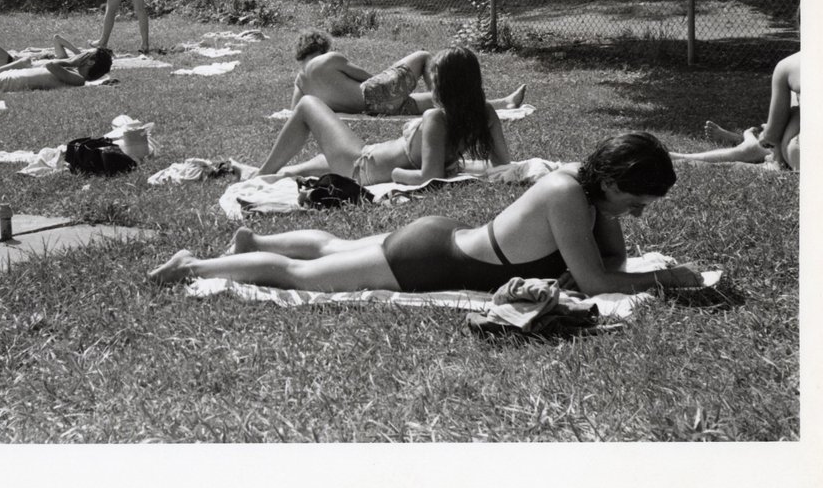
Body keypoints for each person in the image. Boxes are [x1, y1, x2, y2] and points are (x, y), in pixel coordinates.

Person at [150, 132, 706, 296]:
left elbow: (609, 262)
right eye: (633, 204)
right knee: (303, 277)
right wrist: (669, 279)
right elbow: (596, 281)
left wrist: (613, 228)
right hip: (429, 262)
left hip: (440, 242)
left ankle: (251, 248)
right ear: (608, 181)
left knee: (332, 248)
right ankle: (193, 266)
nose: (633, 216)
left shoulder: (583, 194)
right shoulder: (566, 194)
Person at [258, 46, 511, 184]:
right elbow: (502, 163)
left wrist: (395, 175)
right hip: (366, 155)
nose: (432, 86)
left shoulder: (436, 119)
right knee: (296, 172)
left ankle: (260, 175)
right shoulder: (484, 114)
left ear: (448, 87)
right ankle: (263, 174)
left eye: (436, 81)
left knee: (308, 105)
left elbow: (429, 177)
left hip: (362, 166)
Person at [290, 30, 528, 115]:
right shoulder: (331, 59)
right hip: (375, 96)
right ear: (322, 47)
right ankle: (442, 98)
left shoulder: (301, 82)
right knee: (423, 56)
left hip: (373, 110)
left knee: (424, 102)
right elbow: (371, 79)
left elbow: (296, 111)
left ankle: (503, 103)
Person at [670, 51, 800, 171]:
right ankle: (746, 142)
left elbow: (772, 137)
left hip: (797, 155)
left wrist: (766, 136)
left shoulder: (789, 64)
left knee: (794, 99)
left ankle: (749, 143)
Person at [0, 46, 113, 94]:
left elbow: (50, 66)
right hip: (15, 76)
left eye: (87, 54)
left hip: (14, 82)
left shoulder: (79, 80)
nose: (82, 53)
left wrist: (71, 61)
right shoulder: (75, 74)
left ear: (91, 62)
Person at [0, 32, 81, 77]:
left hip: (13, 64)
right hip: (13, 60)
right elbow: (56, 39)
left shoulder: (63, 60)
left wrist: (78, 53)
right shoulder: (57, 57)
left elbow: (57, 38)